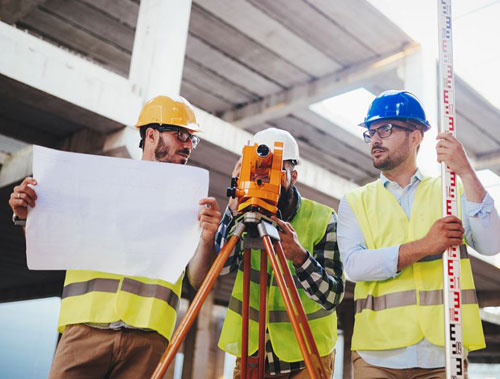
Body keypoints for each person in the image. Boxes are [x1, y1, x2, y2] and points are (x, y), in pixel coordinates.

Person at [8, 95, 221, 378]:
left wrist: (207, 239)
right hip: (85, 329)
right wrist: (26, 214)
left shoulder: (192, 203)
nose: (187, 145)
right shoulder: (95, 182)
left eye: (191, 140)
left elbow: (197, 278)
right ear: (151, 134)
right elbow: (53, 241)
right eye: (180, 134)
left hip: (148, 340)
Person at [337, 90, 500, 378]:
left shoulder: (451, 191)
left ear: (415, 136)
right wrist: (425, 245)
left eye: (384, 129)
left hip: (444, 351)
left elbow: (491, 243)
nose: (375, 139)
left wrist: (465, 171)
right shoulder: (355, 201)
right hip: (377, 355)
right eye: (371, 132)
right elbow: (354, 267)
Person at [215, 127, 345, 378]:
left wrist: (300, 257)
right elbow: (221, 265)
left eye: (276, 169)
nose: (265, 177)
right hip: (253, 350)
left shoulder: (323, 218)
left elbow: (333, 296)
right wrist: (232, 209)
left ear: (293, 175)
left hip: (307, 353)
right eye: (258, 168)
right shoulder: (242, 213)